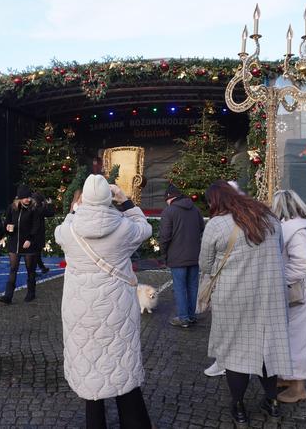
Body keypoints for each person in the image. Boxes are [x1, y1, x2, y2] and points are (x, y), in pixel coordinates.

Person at [55, 174, 153, 429]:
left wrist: (75, 211)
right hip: (117, 310)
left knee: (90, 371)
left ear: (84, 198)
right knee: (121, 366)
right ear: (109, 198)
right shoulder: (123, 227)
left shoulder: (69, 230)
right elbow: (145, 227)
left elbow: (58, 232)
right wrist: (126, 202)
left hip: (81, 312)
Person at [200, 180, 292, 425]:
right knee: (267, 350)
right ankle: (272, 403)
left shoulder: (217, 225)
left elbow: (205, 266)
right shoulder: (270, 218)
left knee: (235, 353)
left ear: (216, 201)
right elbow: (279, 251)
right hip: (271, 298)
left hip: (234, 299)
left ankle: (239, 407)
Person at [272, 189, 306, 403]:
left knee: (299, 340)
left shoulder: (294, 231)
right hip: (296, 292)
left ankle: (298, 388)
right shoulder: (294, 228)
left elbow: (302, 263)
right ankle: (288, 378)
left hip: (298, 293)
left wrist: (280, 279)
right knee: (290, 338)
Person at [203, 180, 245, 377]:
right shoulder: (256, 216)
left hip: (227, 288)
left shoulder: (217, 223)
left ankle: (223, 363)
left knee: (223, 329)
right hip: (257, 288)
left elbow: (205, 263)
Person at [160, 183, 205, 328]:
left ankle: (183, 318)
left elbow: (165, 236)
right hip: (194, 255)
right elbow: (201, 229)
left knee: (180, 287)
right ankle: (191, 316)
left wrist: (163, 253)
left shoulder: (169, 211)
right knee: (192, 287)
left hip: (177, 257)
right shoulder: (195, 209)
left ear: (169, 198)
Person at [0, 184, 41, 304]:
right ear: (19, 198)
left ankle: (31, 293)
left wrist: (30, 239)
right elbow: (6, 223)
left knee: (30, 270)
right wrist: (7, 228)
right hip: (14, 243)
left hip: (28, 244)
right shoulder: (12, 208)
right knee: (13, 269)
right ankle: (8, 296)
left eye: (29, 197)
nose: (28, 199)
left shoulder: (34, 209)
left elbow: (36, 226)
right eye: (25, 197)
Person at [32, 192, 55, 274]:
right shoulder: (40, 209)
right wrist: (49, 204)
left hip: (31, 234)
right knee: (36, 253)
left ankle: (41, 268)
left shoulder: (31, 208)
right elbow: (51, 213)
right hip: (38, 234)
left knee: (35, 253)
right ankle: (34, 271)